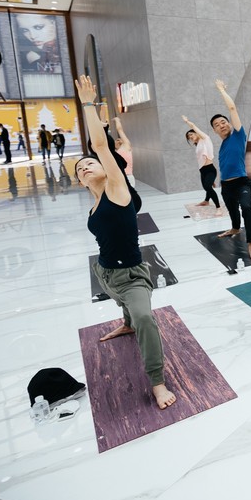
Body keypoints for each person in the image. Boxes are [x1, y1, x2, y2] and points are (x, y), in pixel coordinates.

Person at [74, 75, 175, 410]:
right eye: (80, 170)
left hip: (132, 274)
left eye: (89, 163)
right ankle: (126, 322)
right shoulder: (92, 205)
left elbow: (101, 147)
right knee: (127, 310)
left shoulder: (117, 191)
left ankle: (158, 381)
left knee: (146, 318)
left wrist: (88, 105)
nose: (86, 167)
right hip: (105, 274)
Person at [210, 80, 251, 260]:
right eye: (217, 124)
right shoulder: (222, 146)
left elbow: (232, 110)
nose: (222, 125)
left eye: (223, 122)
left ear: (229, 124)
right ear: (215, 131)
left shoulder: (238, 135)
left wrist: (222, 90)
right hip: (226, 185)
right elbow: (224, 164)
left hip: (241, 182)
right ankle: (235, 228)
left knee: (246, 208)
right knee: (232, 210)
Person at [182, 116, 221, 209]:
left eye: (191, 134)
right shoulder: (198, 144)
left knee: (208, 187)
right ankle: (206, 201)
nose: (190, 137)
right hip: (202, 171)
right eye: (189, 137)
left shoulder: (205, 139)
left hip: (210, 169)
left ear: (197, 133)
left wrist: (187, 121)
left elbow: (194, 126)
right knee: (206, 187)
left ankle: (218, 207)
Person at [112, 118, 134, 187]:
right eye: (116, 140)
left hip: (127, 176)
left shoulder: (125, 146)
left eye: (118, 139)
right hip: (120, 177)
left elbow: (120, 130)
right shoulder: (116, 152)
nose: (117, 141)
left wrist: (117, 120)